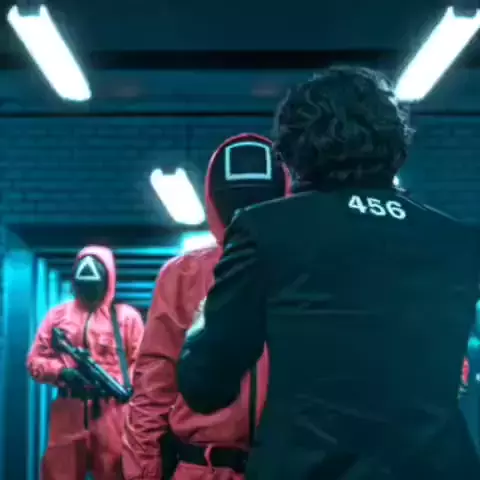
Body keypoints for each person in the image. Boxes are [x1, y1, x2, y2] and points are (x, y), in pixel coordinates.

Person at [177, 66, 480, 479]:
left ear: (296, 149)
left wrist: (200, 323)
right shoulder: (457, 240)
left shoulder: (266, 229)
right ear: (395, 142)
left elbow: (205, 385)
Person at [122, 133, 292, 480]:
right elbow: (154, 385)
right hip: (202, 468)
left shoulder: (307, 271)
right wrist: (143, 472)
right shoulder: (182, 276)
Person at [27, 245, 144, 480]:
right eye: (84, 283)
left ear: (108, 280)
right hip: (69, 409)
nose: (90, 289)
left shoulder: (126, 317)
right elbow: (35, 360)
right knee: (60, 472)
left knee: (115, 472)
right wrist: (62, 372)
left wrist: (123, 384)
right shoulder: (58, 316)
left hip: (113, 409)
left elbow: (143, 364)